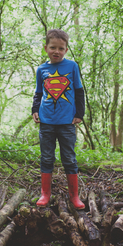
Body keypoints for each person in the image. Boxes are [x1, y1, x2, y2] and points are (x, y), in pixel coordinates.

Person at [31, 29, 85, 209]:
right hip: (46, 121)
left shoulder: (72, 66)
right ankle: (45, 194)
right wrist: (35, 110)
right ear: (46, 48)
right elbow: (39, 93)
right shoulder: (41, 69)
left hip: (67, 122)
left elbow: (78, 90)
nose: (56, 51)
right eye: (53, 47)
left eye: (61, 48)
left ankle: (74, 196)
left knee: (69, 158)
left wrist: (79, 114)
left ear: (66, 50)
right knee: (47, 157)